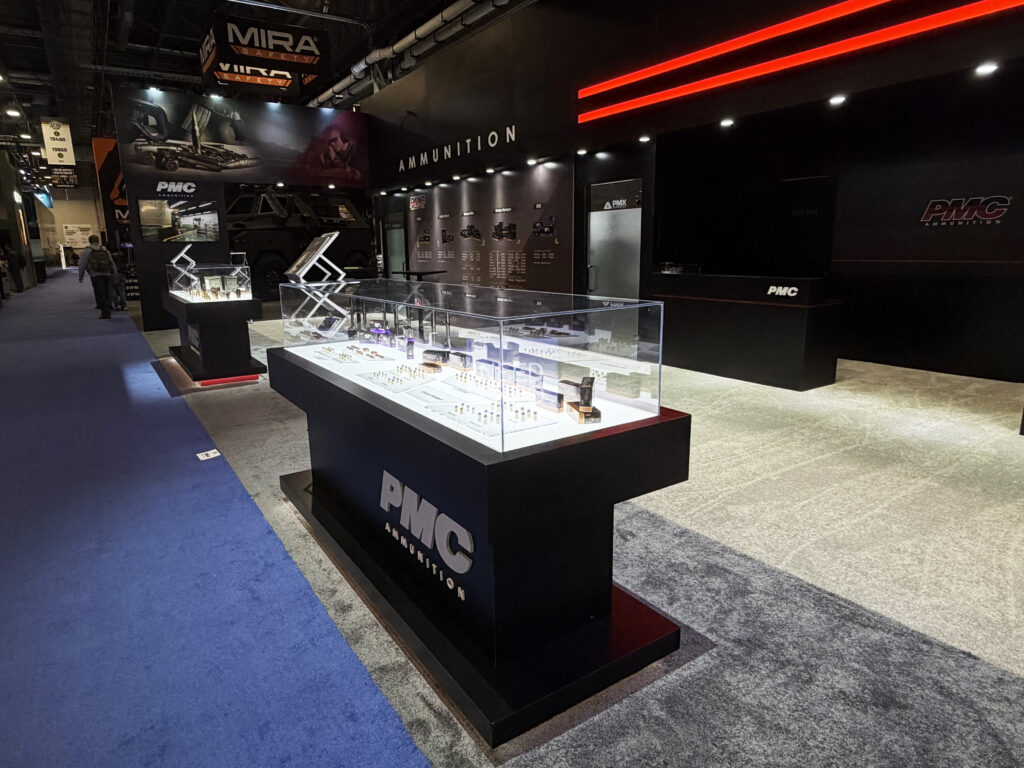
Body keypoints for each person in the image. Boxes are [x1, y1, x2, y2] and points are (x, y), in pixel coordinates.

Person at [78, 235, 118, 319]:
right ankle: (109, 306)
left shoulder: (88, 251)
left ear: (89, 241)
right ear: (98, 240)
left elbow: (82, 264)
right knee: (107, 292)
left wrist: (81, 276)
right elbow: (112, 262)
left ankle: (105, 311)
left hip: (95, 274)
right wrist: (114, 273)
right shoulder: (104, 250)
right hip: (107, 273)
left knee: (100, 293)